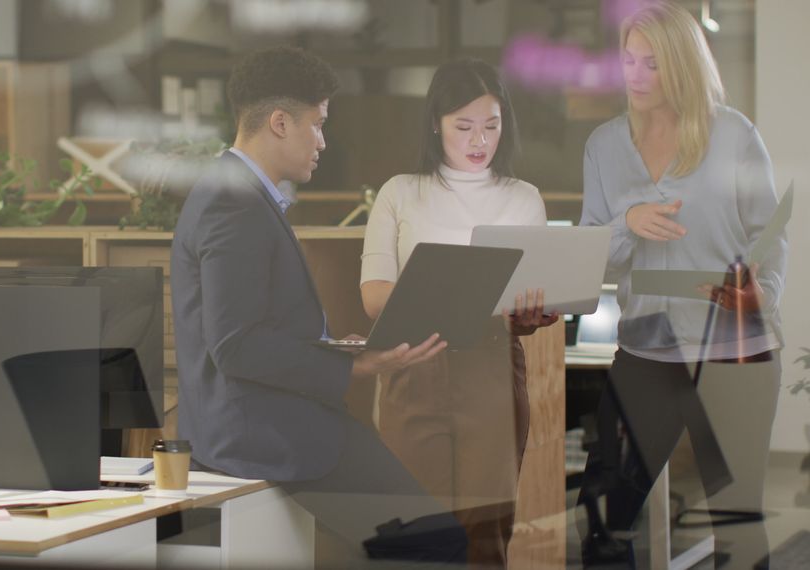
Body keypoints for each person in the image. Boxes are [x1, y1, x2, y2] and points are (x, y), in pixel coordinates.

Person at [170, 45, 467, 565]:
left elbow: (251, 327)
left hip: (266, 422)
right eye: (318, 124)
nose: (324, 142)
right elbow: (236, 346)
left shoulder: (237, 193)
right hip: (264, 433)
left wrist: (334, 349)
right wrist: (358, 365)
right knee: (435, 541)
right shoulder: (234, 204)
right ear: (280, 122)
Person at [578, 2, 787, 567]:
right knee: (603, 519)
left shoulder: (735, 134)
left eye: (654, 63)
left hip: (735, 353)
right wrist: (626, 224)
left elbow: (770, 234)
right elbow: (589, 255)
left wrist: (763, 288)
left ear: (685, 65)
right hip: (647, 353)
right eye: (629, 61)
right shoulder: (603, 146)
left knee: (737, 530)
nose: (637, 75)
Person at [360, 58, 558, 568]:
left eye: (491, 126)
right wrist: (452, 294)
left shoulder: (523, 199)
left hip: (489, 369)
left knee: (485, 529)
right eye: (464, 126)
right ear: (435, 123)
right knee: (413, 527)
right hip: (414, 365)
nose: (479, 141)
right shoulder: (400, 192)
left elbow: (525, 303)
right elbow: (375, 296)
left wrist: (533, 311)